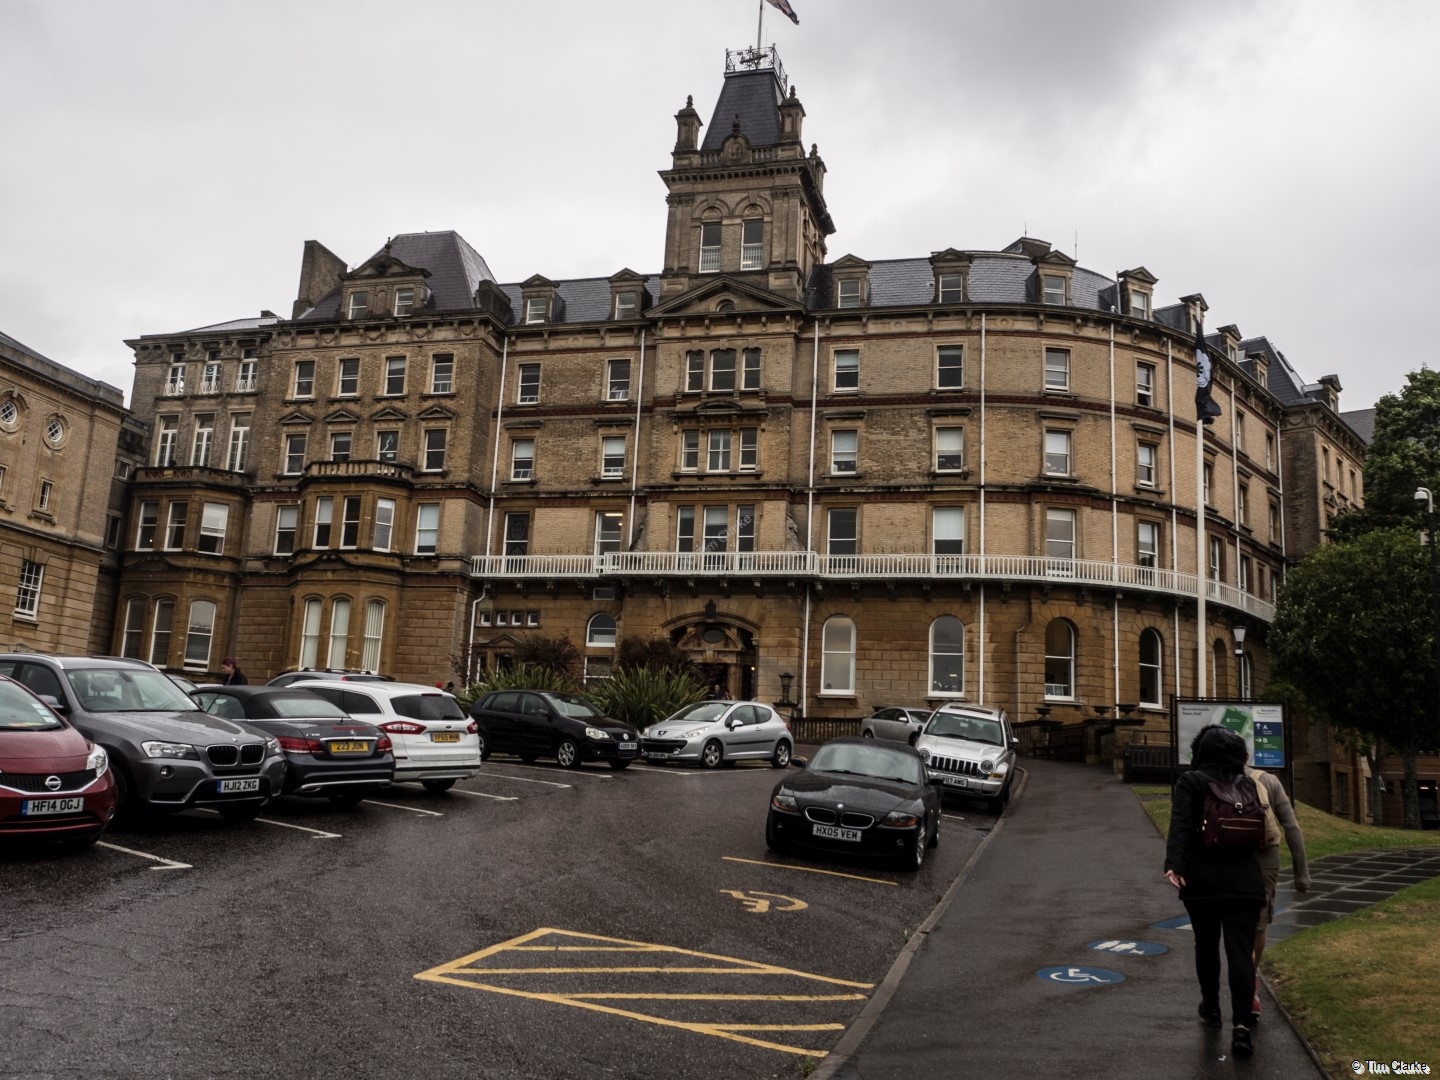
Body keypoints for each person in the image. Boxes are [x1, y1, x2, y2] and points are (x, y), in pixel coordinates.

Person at [1164, 724, 1265, 1059]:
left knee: (1206, 945)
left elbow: (1180, 826)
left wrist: (1175, 865)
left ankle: (1211, 1008)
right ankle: (1241, 1028)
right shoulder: (1247, 783)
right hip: (1246, 879)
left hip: (1203, 878)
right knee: (1240, 950)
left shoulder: (1191, 782)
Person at [1247, 762, 1310, 1024]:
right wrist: (1301, 873)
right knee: (1259, 926)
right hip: (1265, 860)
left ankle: (1236, 982)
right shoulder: (1269, 781)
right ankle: (1251, 984)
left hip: (1229, 860)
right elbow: (1291, 827)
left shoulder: (1216, 778)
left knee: (1234, 925)